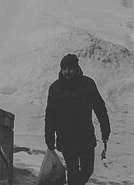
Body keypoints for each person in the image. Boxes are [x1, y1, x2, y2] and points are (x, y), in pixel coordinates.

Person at [44, 53, 110, 185]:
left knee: (88, 169)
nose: (67, 72)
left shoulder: (88, 84)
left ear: (77, 69)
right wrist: (49, 137)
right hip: (66, 137)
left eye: (70, 69)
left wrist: (105, 128)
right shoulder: (56, 88)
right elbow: (50, 115)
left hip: (85, 136)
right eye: (64, 69)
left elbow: (100, 108)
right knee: (73, 172)